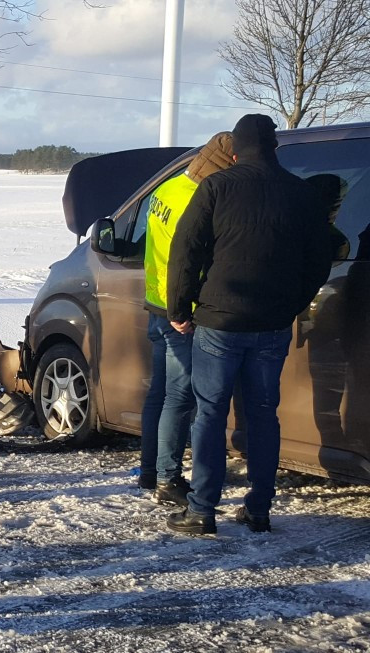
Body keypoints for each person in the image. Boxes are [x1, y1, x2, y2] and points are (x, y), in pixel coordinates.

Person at [165, 114, 331, 535]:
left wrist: (179, 309)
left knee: (210, 414)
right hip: (272, 323)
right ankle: (258, 508)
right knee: (262, 414)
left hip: (220, 319)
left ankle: (202, 509)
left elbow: (187, 251)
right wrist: (291, 304)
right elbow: (320, 259)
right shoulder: (301, 193)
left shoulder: (216, 187)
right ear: (275, 148)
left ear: (234, 151)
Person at [140, 132, 234, 505]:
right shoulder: (201, 201)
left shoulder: (168, 187)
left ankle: (151, 470)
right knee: (180, 398)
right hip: (183, 310)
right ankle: (168, 478)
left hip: (155, 303)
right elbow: (192, 260)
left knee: (160, 393)